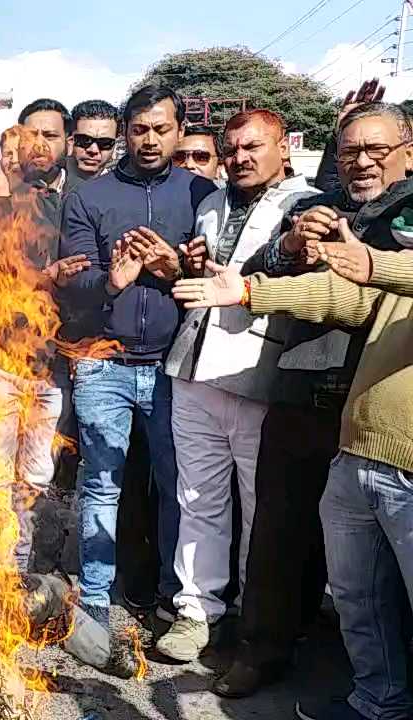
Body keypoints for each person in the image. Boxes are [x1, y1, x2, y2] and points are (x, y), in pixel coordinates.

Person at [207, 102, 413, 698]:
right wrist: (289, 250)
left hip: (378, 402)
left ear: (407, 151)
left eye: (377, 150)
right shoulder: (311, 207)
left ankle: (368, 673)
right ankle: (264, 647)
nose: (363, 163)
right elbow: (262, 267)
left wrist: (367, 261)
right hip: (301, 386)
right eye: (350, 151)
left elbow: (366, 290)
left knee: (376, 557)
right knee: (278, 528)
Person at [173, 225, 413, 720]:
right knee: (360, 601)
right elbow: (344, 297)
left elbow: (381, 271)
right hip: (362, 452)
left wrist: (375, 263)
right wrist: (249, 291)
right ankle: (379, 703)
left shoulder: (395, 260)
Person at [155, 109, 319, 664]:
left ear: (283, 150)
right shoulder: (213, 203)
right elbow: (203, 279)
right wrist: (185, 264)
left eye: (254, 147)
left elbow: (282, 265)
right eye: (233, 148)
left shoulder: (305, 206)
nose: (240, 157)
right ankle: (197, 611)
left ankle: (255, 617)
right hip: (193, 369)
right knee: (197, 498)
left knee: (259, 506)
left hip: (257, 375)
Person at [59, 84, 217, 628]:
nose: (150, 140)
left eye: (162, 129)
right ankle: (97, 602)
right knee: (103, 484)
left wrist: (181, 273)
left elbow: (219, 278)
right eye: (141, 129)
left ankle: (181, 604)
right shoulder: (88, 197)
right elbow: (71, 283)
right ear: (125, 131)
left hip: (178, 369)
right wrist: (111, 281)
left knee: (183, 489)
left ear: (179, 131)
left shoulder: (203, 195)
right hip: (105, 364)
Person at [0, 127, 90, 570]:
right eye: (17, 148)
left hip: (51, 367)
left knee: (35, 477)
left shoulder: (80, 203)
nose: (28, 153)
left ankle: (17, 564)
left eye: (48, 139)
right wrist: (45, 275)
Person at [18, 98, 72, 193]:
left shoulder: (87, 192)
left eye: (50, 136)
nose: (38, 145)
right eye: (30, 136)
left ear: (69, 144)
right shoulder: (1, 193)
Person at [69, 100, 120, 190]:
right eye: (84, 140)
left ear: (115, 148)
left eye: (105, 143)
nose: (93, 150)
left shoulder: (120, 192)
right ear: (69, 141)